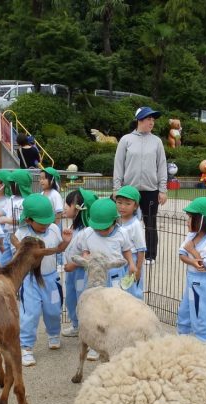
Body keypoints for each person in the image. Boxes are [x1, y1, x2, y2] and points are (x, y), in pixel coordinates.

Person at [16, 194, 72, 367]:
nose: (46, 224)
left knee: (54, 309)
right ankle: (26, 347)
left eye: (48, 220)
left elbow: (58, 250)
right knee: (30, 313)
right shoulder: (22, 234)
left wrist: (66, 242)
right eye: (42, 222)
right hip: (30, 280)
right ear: (28, 219)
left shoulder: (54, 229)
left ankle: (54, 334)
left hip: (51, 278)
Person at [113, 106, 168, 263]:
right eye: (148, 119)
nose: (151, 122)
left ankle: (150, 255)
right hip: (129, 190)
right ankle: (124, 251)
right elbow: (118, 165)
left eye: (153, 119)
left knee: (150, 222)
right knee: (124, 221)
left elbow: (162, 166)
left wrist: (162, 189)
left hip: (151, 190)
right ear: (139, 120)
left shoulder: (157, 142)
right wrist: (117, 188)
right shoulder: (126, 140)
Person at [177, 197, 206, 343]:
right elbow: (182, 255)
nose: (188, 221)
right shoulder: (191, 235)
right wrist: (192, 260)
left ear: (203, 220)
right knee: (184, 311)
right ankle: (182, 340)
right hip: (192, 279)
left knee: (200, 314)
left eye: (192, 218)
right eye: (189, 217)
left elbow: (205, 267)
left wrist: (193, 251)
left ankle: (204, 343)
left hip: (204, 282)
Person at [61, 188, 99, 338]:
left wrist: (73, 264)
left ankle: (90, 331)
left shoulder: (88, 231)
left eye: (68, 204)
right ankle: (76, 325)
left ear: (79, 209)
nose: (64, 206)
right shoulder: (73, 228)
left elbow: (89, 255)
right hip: (71, 273)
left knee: (84, 300)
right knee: (71, 299)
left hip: (81, 273)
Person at [79, 198, 135, 288]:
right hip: (95, 273)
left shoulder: (121, 233)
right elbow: (85, 251)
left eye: (105, 228)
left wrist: (131, 264)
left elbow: (126, 250)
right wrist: (86, 257)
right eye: (97, 228)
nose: (101, 231)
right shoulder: (88, 233)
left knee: (115, 299)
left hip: (115, 273)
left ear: (114, 221)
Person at [114, 186, 147, 299]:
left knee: (132, 291)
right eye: (119, 202)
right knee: (119, 289)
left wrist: (138, 269)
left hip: (131, 262)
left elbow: (141, 249)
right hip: (119, 259)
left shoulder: (135, 224)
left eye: (127, 204)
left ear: (135, 206)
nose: (122, 207)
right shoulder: (116, 220)